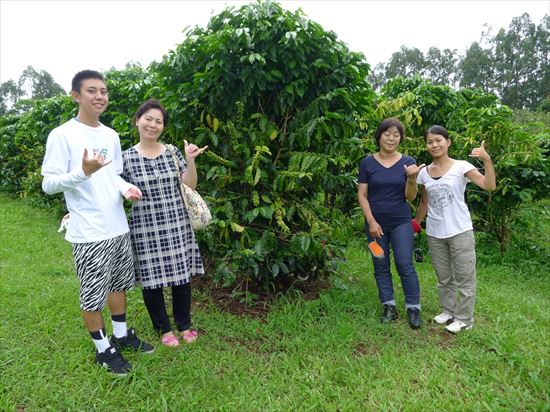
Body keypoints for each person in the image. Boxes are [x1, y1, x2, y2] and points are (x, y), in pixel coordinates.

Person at [41, 70, 154, 376]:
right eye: (92, 91)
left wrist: (124, 188)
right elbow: (49, 184)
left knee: (118, 285)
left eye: (103, 91)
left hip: (117, 226)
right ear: (76, 96)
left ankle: (120, 336)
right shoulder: (62, 135)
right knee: (93, 293)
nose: (100, 96)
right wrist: (82, 172)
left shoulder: (110, 135)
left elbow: (112, 174)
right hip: (89, 232)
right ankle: (103, 351)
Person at [122, 99, 206, 347]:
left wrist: (191, 160)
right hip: (145, 227)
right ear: (138, 120)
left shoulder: (172, 151)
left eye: (158, 121)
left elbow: (189, 185)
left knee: (182, 277)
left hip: (176, 223)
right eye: (148, 118)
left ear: (163, 127)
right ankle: (163, 328)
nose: (153, 124)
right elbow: (117, 188)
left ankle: (184, 324)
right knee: (151, 280)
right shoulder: (126, 158)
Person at [415, 125, 495, 334]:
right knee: (443, 276)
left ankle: (465, 318)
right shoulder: (423, 173)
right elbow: (424, 202)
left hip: (460, 230)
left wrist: (486, 159)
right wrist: (415, 223)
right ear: (426, 145)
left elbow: (489, 185)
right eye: (430, 141)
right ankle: (448, 311)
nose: (434, 144)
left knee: (465, 277)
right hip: (435, 232)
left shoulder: (462, 166)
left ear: (448, 142)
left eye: (438, 140)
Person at [357, 118, 425, 329]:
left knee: (405, 264)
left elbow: (411, 197)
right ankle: (389, 306)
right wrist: (371, 222)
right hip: (374, 226)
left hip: (401, 223)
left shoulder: (408, 161)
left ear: (401, 139)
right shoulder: (367, 162)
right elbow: (362, 195)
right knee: (380, 264)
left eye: (396, 135)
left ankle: (413, 308)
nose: (391, 138)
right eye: (387, 133)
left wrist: (412, 179)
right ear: (379, 136)